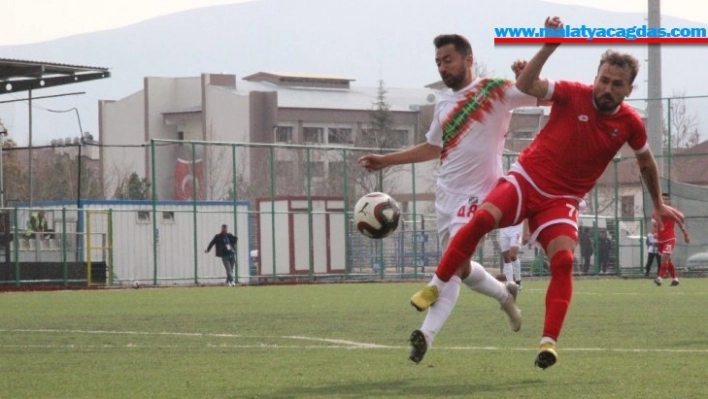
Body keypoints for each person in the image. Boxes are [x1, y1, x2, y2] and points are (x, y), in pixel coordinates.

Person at [409, 16, 685, 370]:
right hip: (525, 180)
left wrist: (659, 203)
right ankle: (435, 287)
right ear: (595, 77)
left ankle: (548, 343)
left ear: (628, 90)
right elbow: (527, 84)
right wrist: (549, 46)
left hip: (562, 201)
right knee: (481, 221)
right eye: (603, 80)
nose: (606, 88)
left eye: (616, 84)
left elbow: (646, 163)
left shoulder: (630, 122)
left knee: (564, 262)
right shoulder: (572, 92)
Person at [357, 34, 536, 364]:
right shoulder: (443, 103)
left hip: (480, 197)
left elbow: (547, 98)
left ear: (468, 60)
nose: (442, 67)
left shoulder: (495, 89)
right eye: (438, 62)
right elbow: (432, 148)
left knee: (452, 264)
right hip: (446, 197)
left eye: (448, 60)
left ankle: (425, 334)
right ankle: (504, 295)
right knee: (462, 268)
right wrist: (385, 159)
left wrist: (531, 75)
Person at [654, 193, 690, 286]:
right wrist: (654, 233)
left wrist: (685, 234)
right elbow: (654, 224)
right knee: (668, 260)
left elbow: (679, 221)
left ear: (669, 201)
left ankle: (660, 278)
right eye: (663, 199)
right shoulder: (656, 211)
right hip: (660, 239)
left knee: (664, 260)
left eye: (666, 199)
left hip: (670, 238)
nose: (665, 201)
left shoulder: (672, 211)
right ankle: (675, 279)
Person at [499, 221, 527, 289]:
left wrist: (526, 232)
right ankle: (510, 284)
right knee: (506, 258)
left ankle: (518, 281)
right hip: (504, 228)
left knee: (512, 256)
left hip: (517, 229)